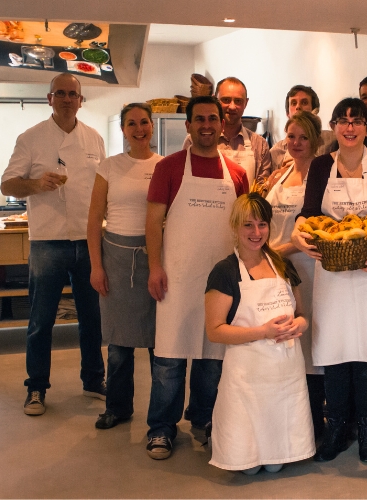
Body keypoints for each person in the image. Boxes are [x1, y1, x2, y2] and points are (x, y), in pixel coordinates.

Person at [292, 98, 367, 463]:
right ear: (334, 127)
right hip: (334, 272)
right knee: (335, 351)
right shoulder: (323, 165)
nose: (349, 128)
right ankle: (336, 427)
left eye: (356, 121)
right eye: (343, 121)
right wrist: (297, 235)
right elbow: (308, 213)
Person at [145, 95, 250, 460]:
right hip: (177, 277)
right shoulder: (169, 168)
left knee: (212, 358)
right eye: (199, 119)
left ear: (222, 125)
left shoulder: (236, 173)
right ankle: (161, 428)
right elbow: (153, 223)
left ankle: (204, 421)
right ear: (188, 125)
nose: (207, 125)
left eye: (213, 119)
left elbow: (244, 227)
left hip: (220, 283)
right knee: (169, 359)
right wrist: (155, 268)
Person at [1, 73, 106, 416]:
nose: (65, 99)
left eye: (71, 94)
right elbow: (7, 185)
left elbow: (102, 190)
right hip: (48, 241)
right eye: (59, 93)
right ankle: (36, 387)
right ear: (49, 99)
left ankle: (93, 378)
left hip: (88, 239)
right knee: (41, 318)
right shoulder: (30, 138)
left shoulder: (94, 139)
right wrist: (35, 184)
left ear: (81, 99)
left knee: (92, 317)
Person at [205, 193, 315, 475]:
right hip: (246, 378)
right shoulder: (225, 272)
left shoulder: (283, 266)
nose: (256, 233)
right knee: (248, 464)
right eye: (248, 225)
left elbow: (302, 315)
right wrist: (263, 331)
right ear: (235, 227)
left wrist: (299, 326)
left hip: (285, 376)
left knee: (276, 463)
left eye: (262, 225)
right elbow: (215, 331)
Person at [86, 103, 162, 429]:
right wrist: (95, 267)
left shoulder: (165, 166)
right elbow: (92, 222)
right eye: (132, 123)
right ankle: (118, 407)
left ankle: (161, 415)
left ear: (152, 126)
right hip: (115, 261)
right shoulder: (109, 167)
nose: (139, 128)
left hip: (154, 259)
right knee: (119, 344)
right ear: (123, 129)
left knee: (160, 345)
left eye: (144, 122)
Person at [258, 111, 326, 438]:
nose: (296, 143)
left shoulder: (322, 175)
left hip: (308, 270)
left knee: (309, 344)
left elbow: (315, 232)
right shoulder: (281, 175)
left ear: (315, 141)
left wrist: (275, 252)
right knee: (281, 341)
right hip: (276, 272)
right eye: (291, 137)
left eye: (303, 137)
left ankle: (312, 421)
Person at [183, 77, 272, 187]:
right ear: (215, 99)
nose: (232, 106)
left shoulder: (259, 144)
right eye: (226, 100)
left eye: (238, 101)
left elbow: (261, 189)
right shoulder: (194, 139)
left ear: (246, 103)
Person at [268, 85, 336, 169]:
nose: (298, 107)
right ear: (287, 113)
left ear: (315, 110)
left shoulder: (331, 140)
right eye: (293, 103)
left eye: (304, 102)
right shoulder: (275, 152)